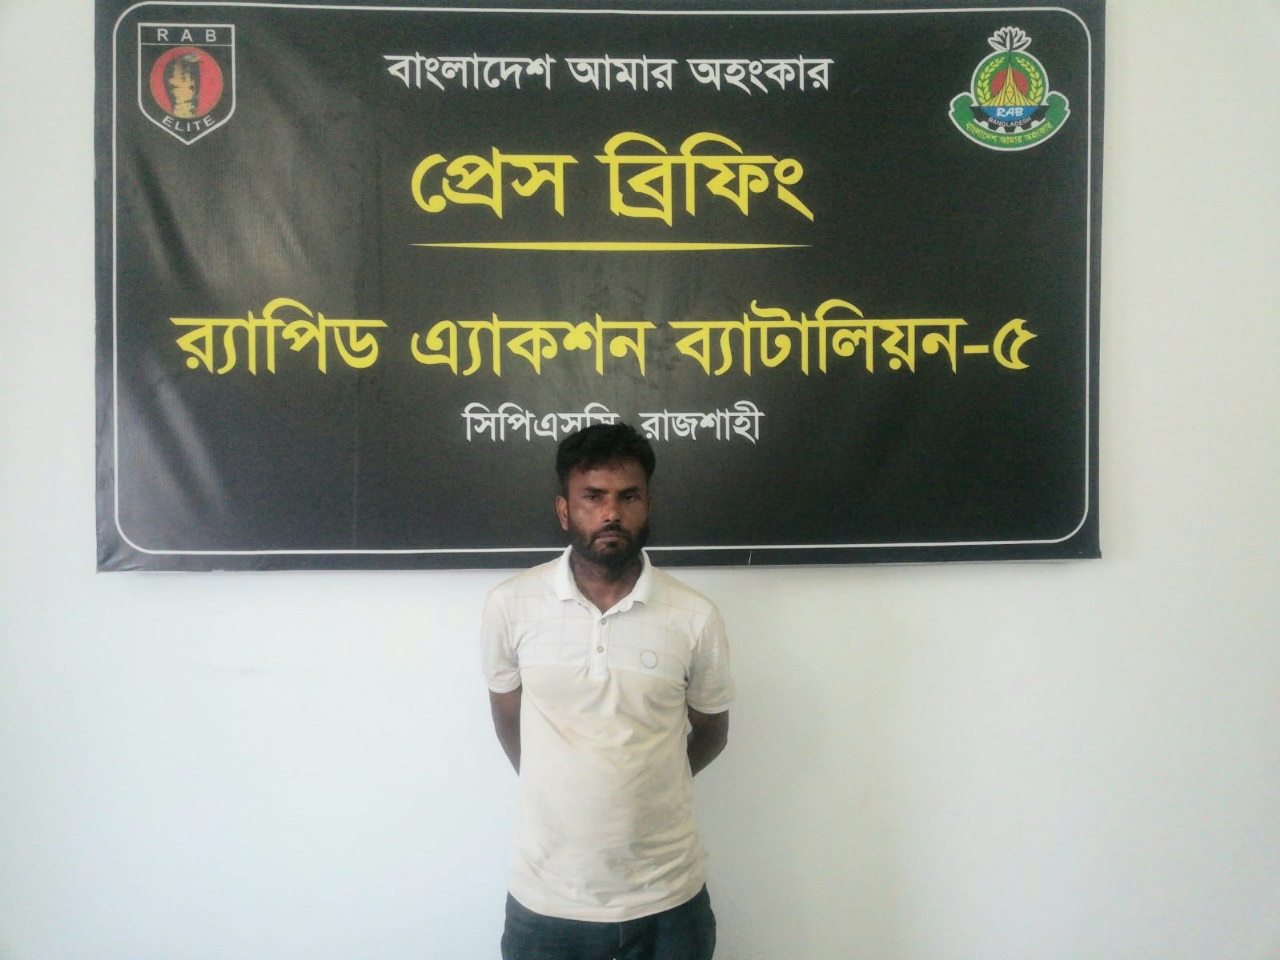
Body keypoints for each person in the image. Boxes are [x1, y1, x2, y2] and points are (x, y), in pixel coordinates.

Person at [481, 422, 734, 960]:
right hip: (547, 900)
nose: (611, 513)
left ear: (648, 504)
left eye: (628, 496)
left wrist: (648, 781)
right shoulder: (511, 604)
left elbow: (712, 731)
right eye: (592, 497)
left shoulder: (695, 616)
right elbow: (507, 719)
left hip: (668, 900)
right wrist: (563, 786)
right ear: (564, 510)